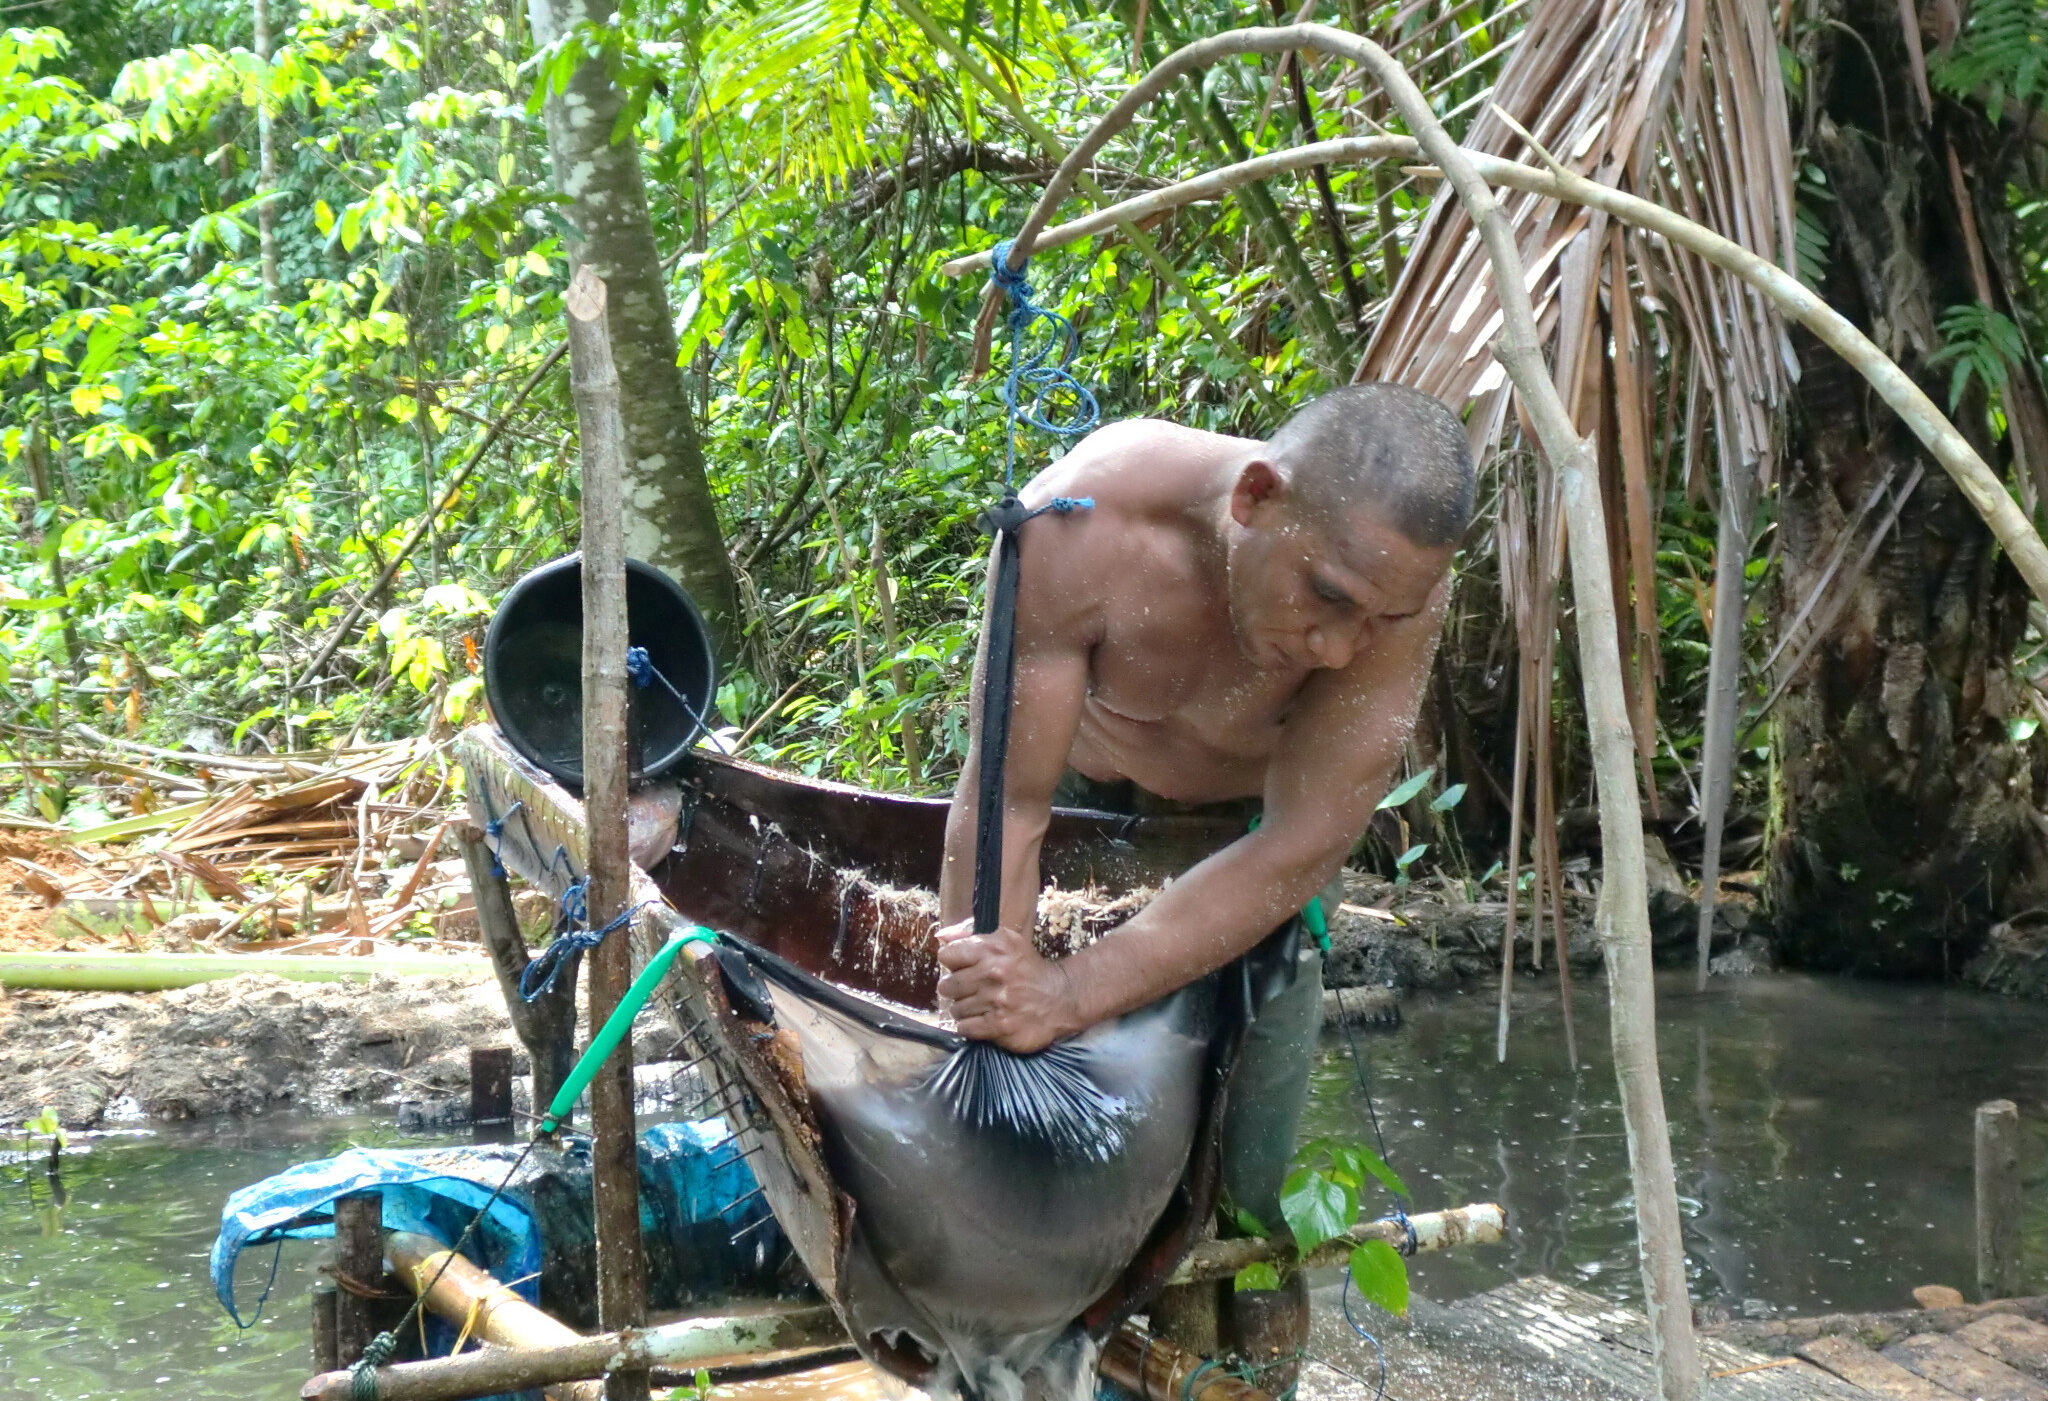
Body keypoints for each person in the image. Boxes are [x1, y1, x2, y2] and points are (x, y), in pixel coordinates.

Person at [931, 381, 1475, 1369]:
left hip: (1251, 848)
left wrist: (1070, 991)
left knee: (1248, 1187)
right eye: (1329, 600)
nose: (1339, 648)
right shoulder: (1079, 523)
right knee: (1028, 1136)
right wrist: (996, 988)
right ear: (1254, 498)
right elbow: (1009, 801)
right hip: (1087, 821)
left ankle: (1258, 1370)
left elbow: (1300, 845)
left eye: (1377, 621)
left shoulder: (1391, 588)